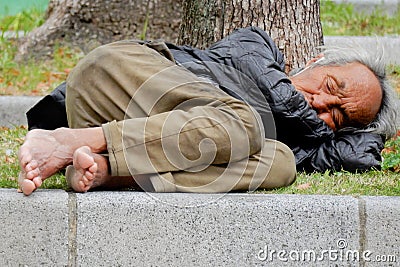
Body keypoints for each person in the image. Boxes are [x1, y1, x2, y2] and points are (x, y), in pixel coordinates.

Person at [18, 27, 398, 196]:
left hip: (147, 142)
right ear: (314, 61)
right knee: (248, 122)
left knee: (280, 163)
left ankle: (108, 170)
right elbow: (280, 103)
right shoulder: (258, 49)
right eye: (330, 86)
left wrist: (341, 136)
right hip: (115, 80)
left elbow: (334, 151)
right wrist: (323, 131)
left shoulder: (296, 141)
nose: (320, 103)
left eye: (338, 116)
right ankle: (77, 141)